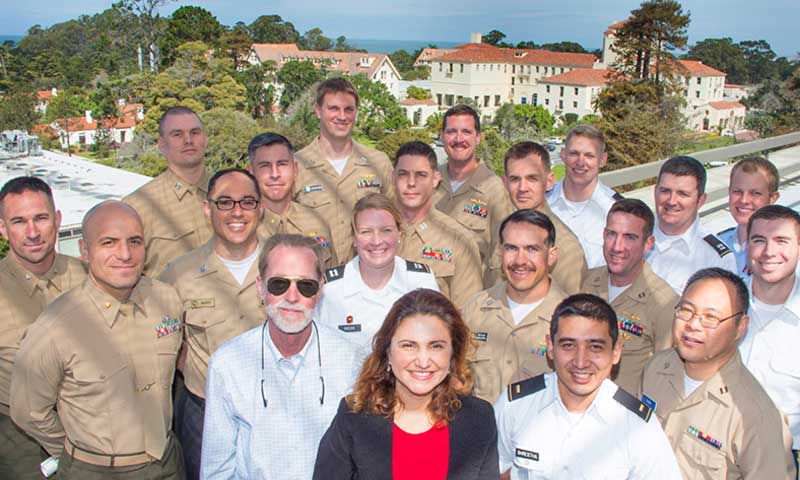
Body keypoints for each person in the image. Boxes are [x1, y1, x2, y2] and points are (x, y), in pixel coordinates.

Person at [10, 201, 184, 479]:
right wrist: (77, 453)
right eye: (109, 242)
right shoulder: (56, 326)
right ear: (84, 251)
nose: (125, 254)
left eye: (134, 241)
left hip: (168, 463)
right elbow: (28, 411)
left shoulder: (167, 300)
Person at [200, 234, 361, 479]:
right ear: (260, 287)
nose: (292, 297)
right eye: (279, 284)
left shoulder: (350, 359)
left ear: (320, 291)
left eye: (306, 285)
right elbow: (217, 467)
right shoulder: (228, 363)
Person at [314, 288, 500, 480]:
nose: (423, 361)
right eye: (409, 345)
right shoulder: (354, 416)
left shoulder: (479, 419)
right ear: (388, 352)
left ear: (453, 354)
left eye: (436, 346)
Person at [495, 294, 681, 480]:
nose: (581, 362)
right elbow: (491, 470)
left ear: (616, 352)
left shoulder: (638, 426)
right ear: (550, 347)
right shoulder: (516, 405)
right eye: (568, 345)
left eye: (596, 347)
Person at [158, 168, 266, 479]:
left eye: (247, 202)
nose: (237, 212)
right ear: (208, 208)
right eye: (225, 202)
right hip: (204, 410)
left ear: (260, 207)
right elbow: (167, 345)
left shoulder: (285, 262)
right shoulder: (179, 274)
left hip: (275, 405)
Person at [642, 268, 795, 479]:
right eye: (686, 311)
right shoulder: (657, 367)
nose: (693, 325)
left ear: (740, 327)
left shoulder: (755, 414)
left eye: (710, 317)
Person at [0, 177, 87, 479]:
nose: (33, 232)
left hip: (96, 430)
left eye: (41, 218)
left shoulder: (92, 277)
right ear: (2, 228)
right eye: (19, 221)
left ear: (57, 219)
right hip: (21, 442)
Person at [462, 209, 567, 403]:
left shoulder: (570, 320)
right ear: (500, 252)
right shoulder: (473, 311)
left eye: (532, 249)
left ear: (551, 255)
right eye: (511, 248)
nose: (520, 261)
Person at [317, 193, 438, 349]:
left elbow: (436, 342)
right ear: (354, 239)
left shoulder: (421, 282)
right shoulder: (330, 289)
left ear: (399, 234)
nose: (376, 241)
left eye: (386, 230)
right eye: (366, 232)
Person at [580, 199, 676, 394]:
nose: (617, 247)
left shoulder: (665, 303)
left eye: (630, 237)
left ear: (648, 244)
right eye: (612, 234)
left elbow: (665, 376)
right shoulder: (587, 282)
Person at [294, 78, 394, 263]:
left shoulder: (379, 163)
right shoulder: (296, 166)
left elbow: (396, 220)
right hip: (314, 279)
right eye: (333, 108)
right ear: (318, 111)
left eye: (349, 109)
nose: (342, 116)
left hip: (367, 276)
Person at [739, 205, 800, 472]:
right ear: (747, 246)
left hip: (785, 460)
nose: (769, 252)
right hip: (712, 454)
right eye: (759, 240)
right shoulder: (720, 305)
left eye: (781, 241)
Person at [484, 141, 587, 293]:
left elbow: (570, 310)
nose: (522, 188)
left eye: (532, 179)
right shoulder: (499, 229)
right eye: (515, 179)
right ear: (505, 183)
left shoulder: (565, 247)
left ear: (549, 181)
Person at [124, 106, 213, 276]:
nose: (188, 140)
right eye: (177, 135)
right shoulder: (138, 206)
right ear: (162, 145)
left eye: (195, 132)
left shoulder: (230, 194)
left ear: (205, 139)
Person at [393, 141, 482, 308]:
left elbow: (467, 315)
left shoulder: (459, 240)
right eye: (403, 174)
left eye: (421, 175)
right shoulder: (372, 233)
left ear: (435, 179)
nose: (411, 183)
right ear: (393, 177)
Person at [646, 155, 737, 294]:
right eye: (665, 191)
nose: (671, 201)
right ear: (655, 191)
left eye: (682, 194)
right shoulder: (631, 234)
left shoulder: (716, 259)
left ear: (701, 200)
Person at [434, 104, 514, 262]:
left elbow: (502, 251)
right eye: (451, 132)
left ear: (478, 137)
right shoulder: (429, 180)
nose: (458, 139)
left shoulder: (494, 189)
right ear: (442, 136)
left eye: (466, 132)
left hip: (471, 284)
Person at [248, 132, 337, 267]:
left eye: (282, 164)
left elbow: (332, 281)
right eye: (265, 166)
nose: (275, 174)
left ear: (295, 170)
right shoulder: (244, 229)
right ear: (251, 172)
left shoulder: (317, 221)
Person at [546, 124, 622, 269]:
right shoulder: (543, 202)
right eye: (574, 153)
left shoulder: (616, 210)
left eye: (589, 155)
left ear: (603, 160)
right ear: (563, 154)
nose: (580, 162)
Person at [718, 156, 780, 278]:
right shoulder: (717, 244)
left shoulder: (783, 252)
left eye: (755, 193)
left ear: (773, 198)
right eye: (737, 191)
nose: (744, 200)